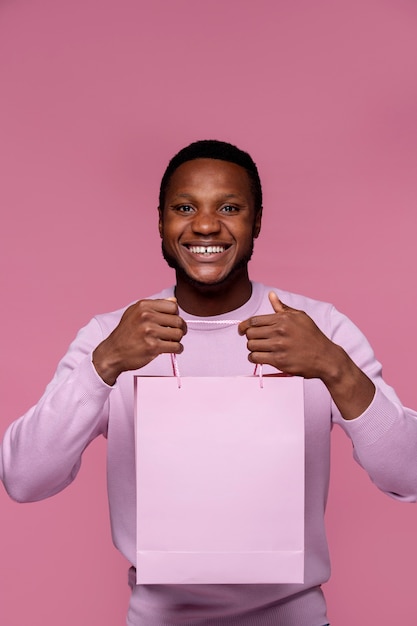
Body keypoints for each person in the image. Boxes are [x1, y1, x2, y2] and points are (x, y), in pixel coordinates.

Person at [1, 139, 417, 626]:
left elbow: (408, 475)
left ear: (257, 221)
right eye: (184, 207)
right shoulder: (111, 337)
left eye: (229, 207)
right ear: (160, 221)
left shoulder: (320, 328)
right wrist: (104, 364)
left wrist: (335, 367)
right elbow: (24, 479)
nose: (204, 224)